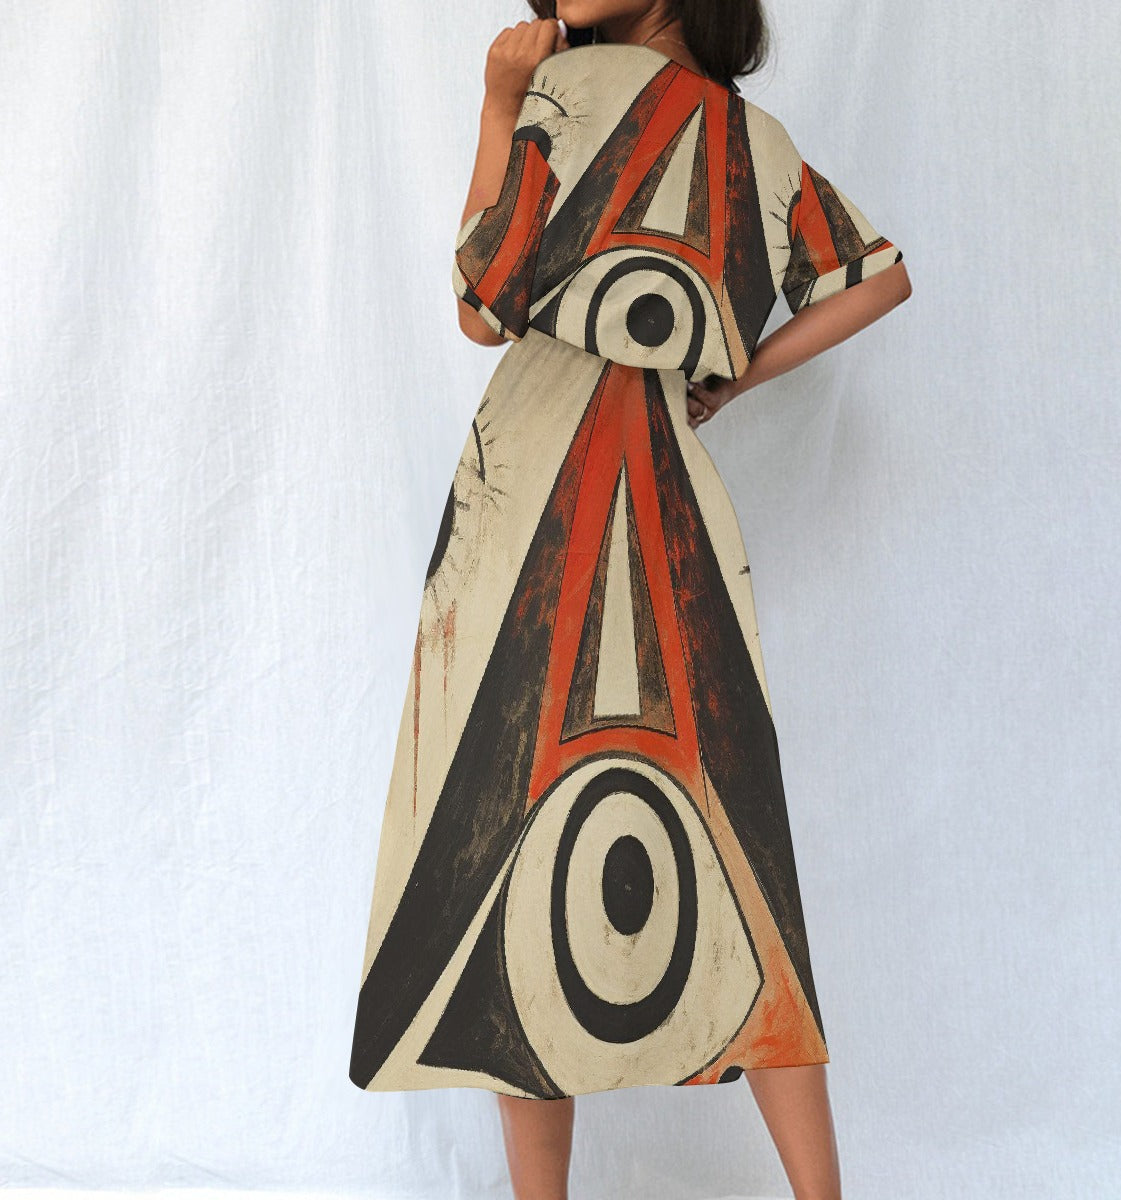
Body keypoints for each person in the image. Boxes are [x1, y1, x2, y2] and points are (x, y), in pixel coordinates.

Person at [349, 2, 911, 1198]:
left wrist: (499, 105)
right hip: (670, 496)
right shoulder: (753, 141)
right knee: (738, 848)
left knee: (505, 830)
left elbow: (481, 307)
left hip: (522, 500)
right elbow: (879, 278)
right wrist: (733, 381)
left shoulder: (564, 95)